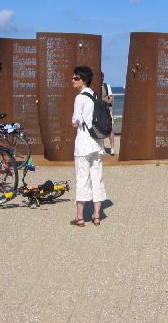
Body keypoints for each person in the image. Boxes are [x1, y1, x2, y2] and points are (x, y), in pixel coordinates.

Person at [70, 66, 107, 227]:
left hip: (83, 144)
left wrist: (77, 121)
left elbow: (75, 122)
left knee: (82, 179)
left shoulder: (80, 98)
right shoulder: (95, 95)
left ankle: (80, 217)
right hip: (96, 144)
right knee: (97, 179)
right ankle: (97, 216)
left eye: (76, 78)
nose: (72, 80)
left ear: (83, 80)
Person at [100, 71, 116, 155]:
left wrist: (104, 101)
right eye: (100, 77)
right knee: (101, 128)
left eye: (102, 77)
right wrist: (105, 99)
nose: (102, 78)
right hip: (100, 110)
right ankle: (102, 148)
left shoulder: (107, 86)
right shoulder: (94, 86)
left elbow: (111, 98)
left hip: (107, 109)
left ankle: (112, 148)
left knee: (110, 129)